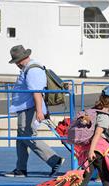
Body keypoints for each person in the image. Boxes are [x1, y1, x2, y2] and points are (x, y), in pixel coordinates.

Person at [61, 85, 109, 186]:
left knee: (85, 178)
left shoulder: (92, 111)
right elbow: (97, 135)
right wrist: (92, 151)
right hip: (98, 151)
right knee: (106, 178)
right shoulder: (104, 116)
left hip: (90, 148)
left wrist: (90, 150)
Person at [4, 45, 64, 178]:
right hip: (25, 108)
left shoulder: (32, 70)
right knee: (21, 138)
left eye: (16, 62)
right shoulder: (30, 68)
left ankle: (54, 159)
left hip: (30, 108)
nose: (17, 65)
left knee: (28, 136)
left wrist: (39, 112)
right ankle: (21, 169)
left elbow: (36, 92)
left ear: (19, 61)